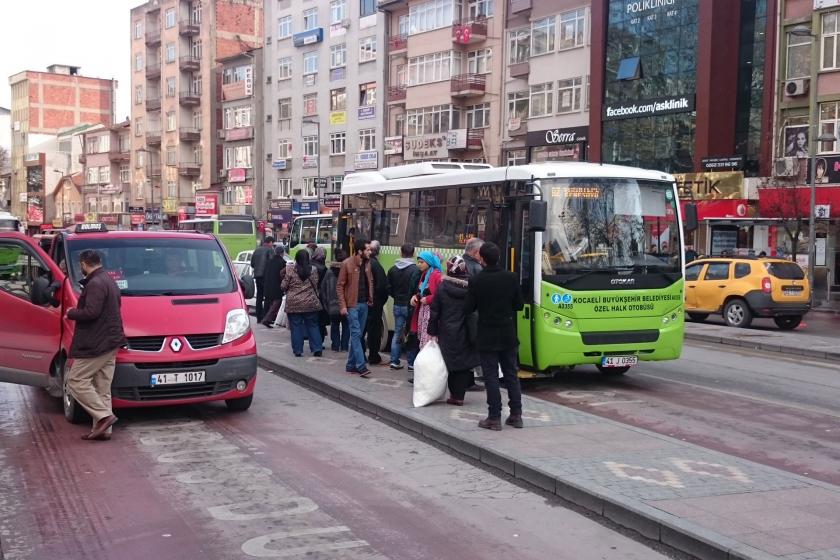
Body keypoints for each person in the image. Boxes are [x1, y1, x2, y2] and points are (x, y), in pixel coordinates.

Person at [65, 250, 126, 441]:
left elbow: (91, 312)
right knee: (102, 386)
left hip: (98, 342)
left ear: (84, 264)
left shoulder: (95, 284)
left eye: (80, 265)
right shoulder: (109, 280)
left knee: (76, 380)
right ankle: (103, 431)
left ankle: (104, 417)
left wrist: (71, 312)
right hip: (111, 341)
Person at [465, 242, 525, 431]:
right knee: (511, 374)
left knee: (491, 376)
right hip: (507, 333)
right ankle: (516, 415)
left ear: (481, 258)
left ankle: (494, 417)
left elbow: (468, 308)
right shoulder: (511, 277)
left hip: (487, 334)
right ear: (499, 257)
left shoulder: (477, 280)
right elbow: (519, 305)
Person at [428, 256, 480, 406]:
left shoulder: (443, 287)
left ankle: (453, 395)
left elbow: (435, 311)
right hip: (466, 330)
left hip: (447, 331)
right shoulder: (471, 288)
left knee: (450, 362)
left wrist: (432, 331)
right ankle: (459, 396)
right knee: (463, 364)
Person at [337, 238, 374, 377]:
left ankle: (350, 365)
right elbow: (340, 286)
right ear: (360, 251)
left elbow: (370, 281)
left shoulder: (368, 264)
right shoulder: (347, 264)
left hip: (364, 304)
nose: (370, 252)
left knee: (357, 335)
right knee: (356, 334)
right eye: (368, 249)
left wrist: (370, 298)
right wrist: (343, 306)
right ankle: (361, 365)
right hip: (352, 305)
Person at [281, 250, 324, 357]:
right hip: (310, 303)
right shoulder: (313, 270)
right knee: (313, 325)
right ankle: (317, 348)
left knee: (296, 327)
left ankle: (298, 350)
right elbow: (316, 283)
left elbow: (283, 286)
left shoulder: (291, 270)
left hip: (294, 303)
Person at [409, 251, 443, 375]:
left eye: (421, 262)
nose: (419, 264)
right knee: (422, 341)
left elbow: (440, 295)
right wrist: (416, 297)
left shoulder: (436, 275)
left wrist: (427, 299)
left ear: (429, 262)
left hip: (431, 314)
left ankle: (427, 374)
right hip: (423, 312)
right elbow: (422, 291)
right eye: (418, 262)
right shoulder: (425, 275)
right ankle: (423, 373)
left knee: (429, 342)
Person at [387, 244, 420, 370]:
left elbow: (388, 288)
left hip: (397, 304)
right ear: (413, 253)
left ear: (401, 252)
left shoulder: (392, 269)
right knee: (411, 333)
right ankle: (411, 363)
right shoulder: (416, 270)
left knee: (397, 332)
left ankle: (394, 361)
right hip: (410, 306)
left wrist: (395, 296)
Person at [365, 240, 390, 365]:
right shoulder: (375, 265)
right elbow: (382, 286)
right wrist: (380, 300)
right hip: (374, 302)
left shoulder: (360, 263)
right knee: (373, 330)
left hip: (363, 301)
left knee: (362, 329)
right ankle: (373, 356)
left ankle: (359, 355)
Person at [320, 250, 349, 352]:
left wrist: (326, 305)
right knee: (346, 326)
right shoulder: (348, 272)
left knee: (335, 325)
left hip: (332, 306)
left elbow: (323, 290)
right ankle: (345, 346)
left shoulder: (329, 272)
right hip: (346, 305)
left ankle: (335, 346)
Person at [260, 245, 287, 327]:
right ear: (282, 253)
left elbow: (264, 273)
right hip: (277, 286)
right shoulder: (282, 262)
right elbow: (283, 275)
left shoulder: (269, 261)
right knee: (277, 302)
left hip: (268, 285)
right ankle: (267, 319)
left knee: (269, 302)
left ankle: (267, 319)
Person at [251, 236, 275, 322]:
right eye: (273, 243)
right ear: (270, 242)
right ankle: (266, 317)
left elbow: (252, 264)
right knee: (267, 297)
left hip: (258, 276)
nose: (273, 245)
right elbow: (273, 263)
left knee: (259, 297)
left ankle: (258, 317)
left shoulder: (257, 250)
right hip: (267, 276)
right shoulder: (270, 250)